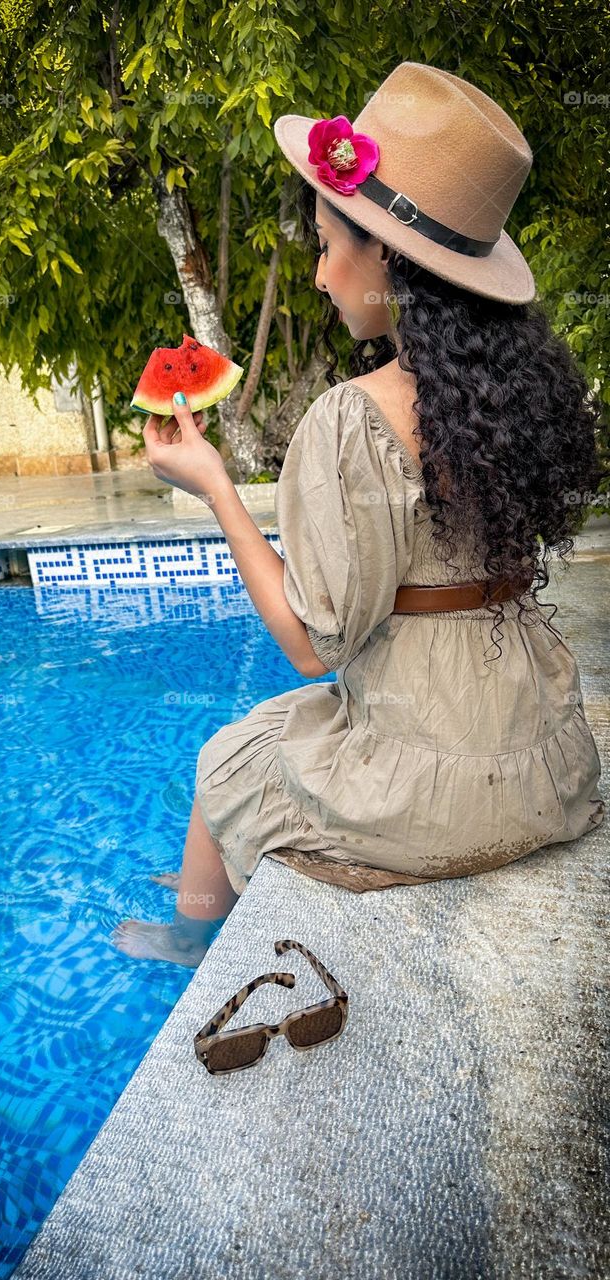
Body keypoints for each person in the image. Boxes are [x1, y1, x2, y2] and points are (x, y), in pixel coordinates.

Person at [112, 61, 605, 968]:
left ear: (389, 257)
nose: (316, 272)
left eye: (328, 241)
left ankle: (188, 935)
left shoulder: (354, 417)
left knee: (232, 755)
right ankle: (197, 906)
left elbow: (313, 646)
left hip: (442, 791)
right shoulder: (516, 391)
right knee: (284, 726)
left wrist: (218, 488)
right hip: (544, 761)